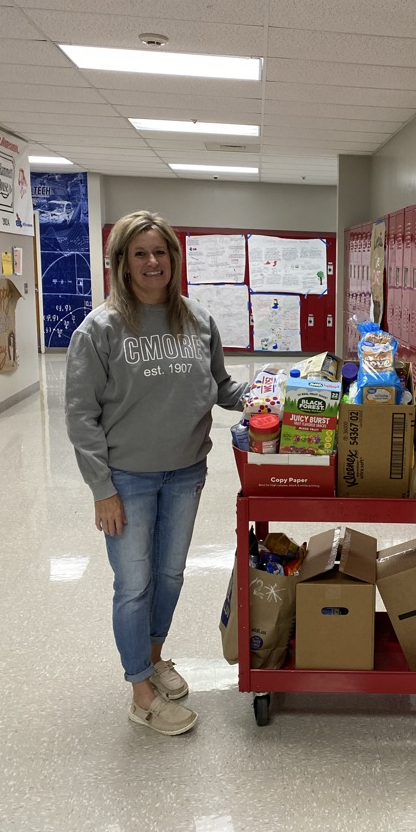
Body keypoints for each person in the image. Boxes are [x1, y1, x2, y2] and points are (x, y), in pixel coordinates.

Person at [65, 211, 249, 736]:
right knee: (133, 584)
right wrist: (102, 490)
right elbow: (80, 416)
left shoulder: (196, 319)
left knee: (170, 575)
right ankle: (140, 692)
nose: (152, 262)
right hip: (128, 479)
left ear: (174, 258)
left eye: (160, 252)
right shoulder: (99, 329)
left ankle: (152, 658)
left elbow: (219, 385)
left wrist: (268, 396)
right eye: (140, 253)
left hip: (186, 472)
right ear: (122, 263)